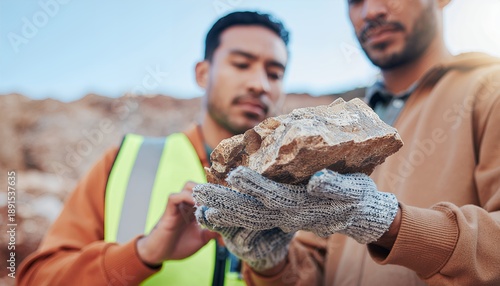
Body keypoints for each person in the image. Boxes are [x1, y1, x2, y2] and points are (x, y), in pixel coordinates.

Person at [193, 0, 500, 285]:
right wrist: (269, 263)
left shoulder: (490, 91)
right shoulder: (339, 126)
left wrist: (390, 224)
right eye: (355, 0)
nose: (371, 11)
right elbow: (314, 269)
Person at [17, 11, 290, 286]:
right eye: (242, 65)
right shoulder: (125, 162)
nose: (260, 84)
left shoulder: (299, 189)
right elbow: (37, 280)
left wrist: (270, 269)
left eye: (275, 74)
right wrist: (142, 254)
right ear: (203, 74)